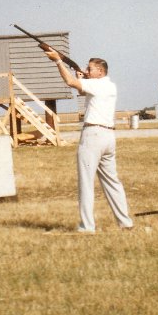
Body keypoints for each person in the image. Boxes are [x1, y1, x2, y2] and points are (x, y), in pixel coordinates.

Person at [45, 49, 134, 233]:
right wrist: (83, 78)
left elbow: (70, 81)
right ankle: (125, 222)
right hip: (108, 137)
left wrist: (58, 62)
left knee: (86, 183)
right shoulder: (109, 86)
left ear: (100, 72)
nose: (87, 70)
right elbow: (83, 89)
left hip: (92, 135)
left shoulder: (97, 85)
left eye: (90, 68)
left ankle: (87, 226)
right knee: (112, 182)